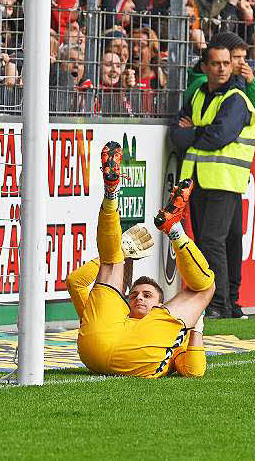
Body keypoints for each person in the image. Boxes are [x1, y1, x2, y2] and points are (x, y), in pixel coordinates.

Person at [68, 142, 214, 378]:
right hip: (111, 343)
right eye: (134, 294)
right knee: (205, 289)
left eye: (147, 295)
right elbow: (76, 281)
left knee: (110, 261)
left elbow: (193, 370)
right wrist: (122, 253)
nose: (138, 299)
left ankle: (113, 195)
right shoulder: (122, 314)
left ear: (161, 305)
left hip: (102, 349)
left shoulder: (165, 324)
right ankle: (122, 198)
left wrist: (196, 327)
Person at [169, 34, 255, 318]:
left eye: (226, 63)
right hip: (200, 179)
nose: (222, 68)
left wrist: (193, 130)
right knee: (226, 240)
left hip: (224, 180)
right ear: (205, 66)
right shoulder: (198, 95)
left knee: (211, 240)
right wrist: (197, 131)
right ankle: (230, 303)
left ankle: (218, 304)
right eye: (216, 63)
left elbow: (218, 136)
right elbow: (177, 134)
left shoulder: (236, 99)